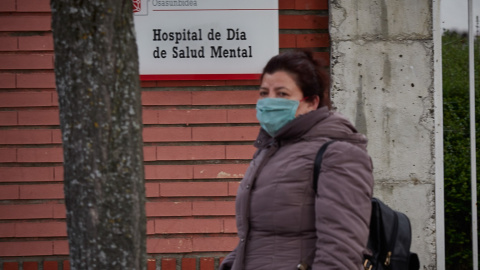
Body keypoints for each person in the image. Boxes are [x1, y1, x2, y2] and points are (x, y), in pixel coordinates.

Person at [219, 50, 374, 270]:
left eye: (282, 94)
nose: (269, 101)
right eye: (264, 93)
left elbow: (341, 250)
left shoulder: (338, 153)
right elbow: (259, 236)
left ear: (311, 102)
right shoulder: (271, 151)